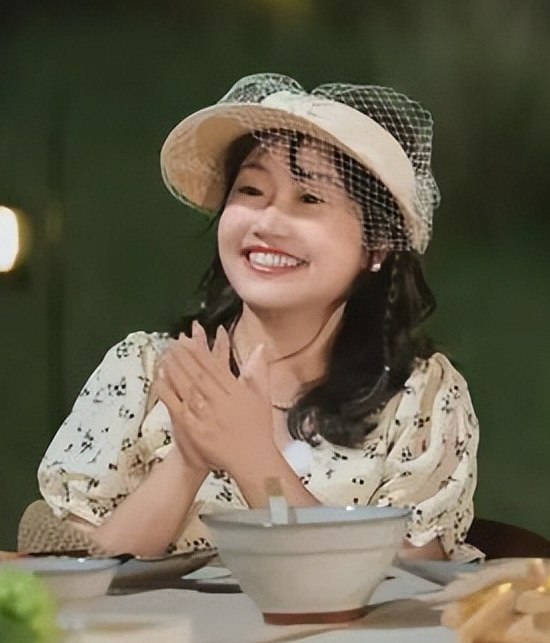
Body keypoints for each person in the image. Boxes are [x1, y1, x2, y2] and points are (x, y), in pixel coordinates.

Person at [31, 73, 479, 561]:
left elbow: (409, 585)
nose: (267, 222)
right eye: (250, 190)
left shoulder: (419, 397)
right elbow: (77, 573)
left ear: (377, 246)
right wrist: (189, 457)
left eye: (309, 199)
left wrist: (253, 459)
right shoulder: (143, 371)